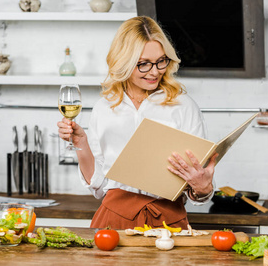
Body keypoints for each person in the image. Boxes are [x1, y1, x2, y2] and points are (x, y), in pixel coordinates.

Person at [57, 16, 216, 230]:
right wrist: (81, 144)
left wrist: (203, 189)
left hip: (169, 221)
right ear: (123, 62)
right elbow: (100, 187)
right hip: (113, 221)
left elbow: (197, 186)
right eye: (143, 64)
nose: (155, 71)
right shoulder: (103, 108)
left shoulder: (184, 106)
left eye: (161, 61)